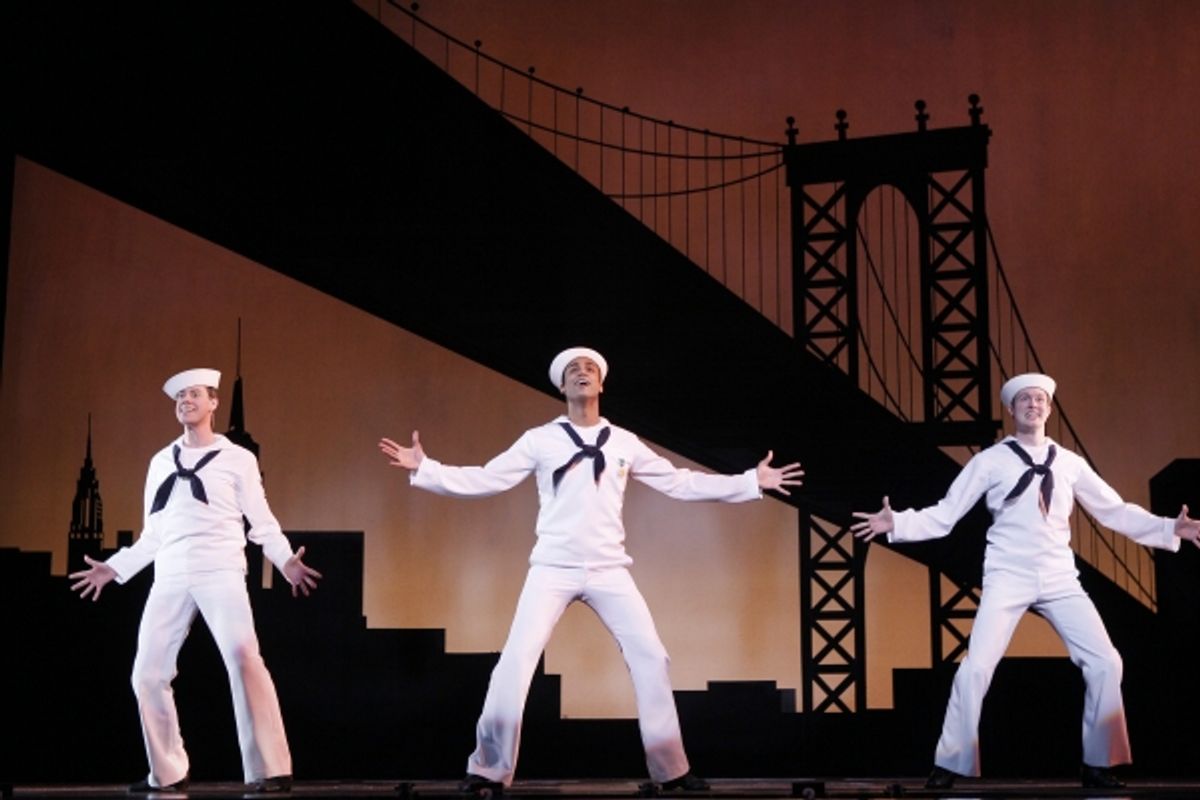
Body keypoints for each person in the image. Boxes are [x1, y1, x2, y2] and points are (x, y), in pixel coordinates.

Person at [378, 346, 804, 794]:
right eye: (572, 370)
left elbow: (679, 481)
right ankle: (487, 770)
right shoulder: (539, 439)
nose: (582, 373)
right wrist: (426, 468)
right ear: (562, 386)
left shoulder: (623, 441)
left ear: (601, 384)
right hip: (552, 567)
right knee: (514, 663)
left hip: (609, 569)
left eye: (590, 369)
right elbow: (488, 477)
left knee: (652, 657)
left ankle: (672, 770)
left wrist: (749, 482)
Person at [851, 372, 1200, 790]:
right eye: (1024, 400)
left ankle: (1098, 763)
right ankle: (951, 761)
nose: (1033, 405)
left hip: (1059, 576)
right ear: (1012, 410)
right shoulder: (989, 461)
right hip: (1007, 574)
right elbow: (946, 513)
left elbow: (1114, 510)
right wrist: (899, 523)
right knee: (976, 667)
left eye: (1040, 399)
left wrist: (1167, 529)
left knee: (1106, 661)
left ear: (1049, 409)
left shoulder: (1069, 464)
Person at [70, 368, 322, 794]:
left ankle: (270, 768)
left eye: (194, 394)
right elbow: (153, 532)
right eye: (180, 397)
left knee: (244, 657)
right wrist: (115, 567)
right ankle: (167, 772)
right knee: (146, 674)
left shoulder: (238, 459)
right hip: (170, 572)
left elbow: (260, 522)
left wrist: (284, 561)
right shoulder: (160, 461)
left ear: (213, 403)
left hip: (220, 567)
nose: (185, 401)